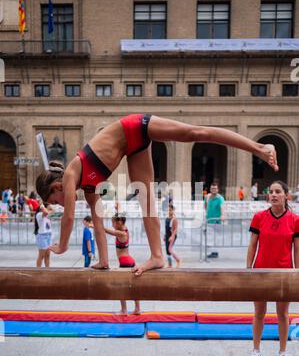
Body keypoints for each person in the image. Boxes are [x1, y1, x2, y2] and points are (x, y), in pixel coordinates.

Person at [35, 113, 278, 275]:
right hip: (133, 149)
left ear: (56, 188)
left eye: (53, 202)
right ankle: (157, 256)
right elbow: (97, 226)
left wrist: (63, 246)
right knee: (145, 198)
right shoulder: (88, 190)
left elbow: (68, 217)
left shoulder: (70, 173)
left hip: (134, 126)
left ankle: (259, 147)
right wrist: (104, 262)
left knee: (195, 133)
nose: (58, 205)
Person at [246, 180, 299, 356]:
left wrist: (297, 273)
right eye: (271, 192)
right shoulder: (259, 217)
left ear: (286, 195)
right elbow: (252, 245)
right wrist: (248, 269)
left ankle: (283, 352)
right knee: (259, 313)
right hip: (261, 272)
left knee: (283, 314)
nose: (274, 195)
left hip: (284, 274)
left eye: (278, 192)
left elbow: (297, 249)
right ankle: (255, 350)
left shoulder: (294, 220)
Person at [105, 213, 140, 315]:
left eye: (113, 223)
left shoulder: (122, 234)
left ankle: (124, 310)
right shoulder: (124, 229)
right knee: (132, 287)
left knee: (121, 287)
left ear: (119, 222)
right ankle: (137, 308)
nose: (112, 225)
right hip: (129, 261)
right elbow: (115, 229)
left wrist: (95, 225)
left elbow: (109, 231)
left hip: (125, 263)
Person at [204, 183, 225, 259]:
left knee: (216, 238)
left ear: (217, 189)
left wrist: (222, 215)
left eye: (215, 188)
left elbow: (222, 206)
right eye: (212, 188)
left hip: (217, 221)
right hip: (209, 220)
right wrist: (206, 212)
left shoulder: (220, 198)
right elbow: (205, 205)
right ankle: (213, 252)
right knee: (210, 238)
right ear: (210, 189)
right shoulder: (207, 197)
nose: (214, 190)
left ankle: (215, 252)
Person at [34, 203, 52, 267]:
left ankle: (47, 270)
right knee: (41, 256)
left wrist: (49, 209)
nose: (50, 210)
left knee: (48, 255)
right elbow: (46, 212)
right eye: (49, 208)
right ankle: (38, 271)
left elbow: (52, 211)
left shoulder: (47, 215)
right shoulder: (39, 215)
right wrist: (42, 206)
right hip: (42, 236)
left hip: (48, 236)